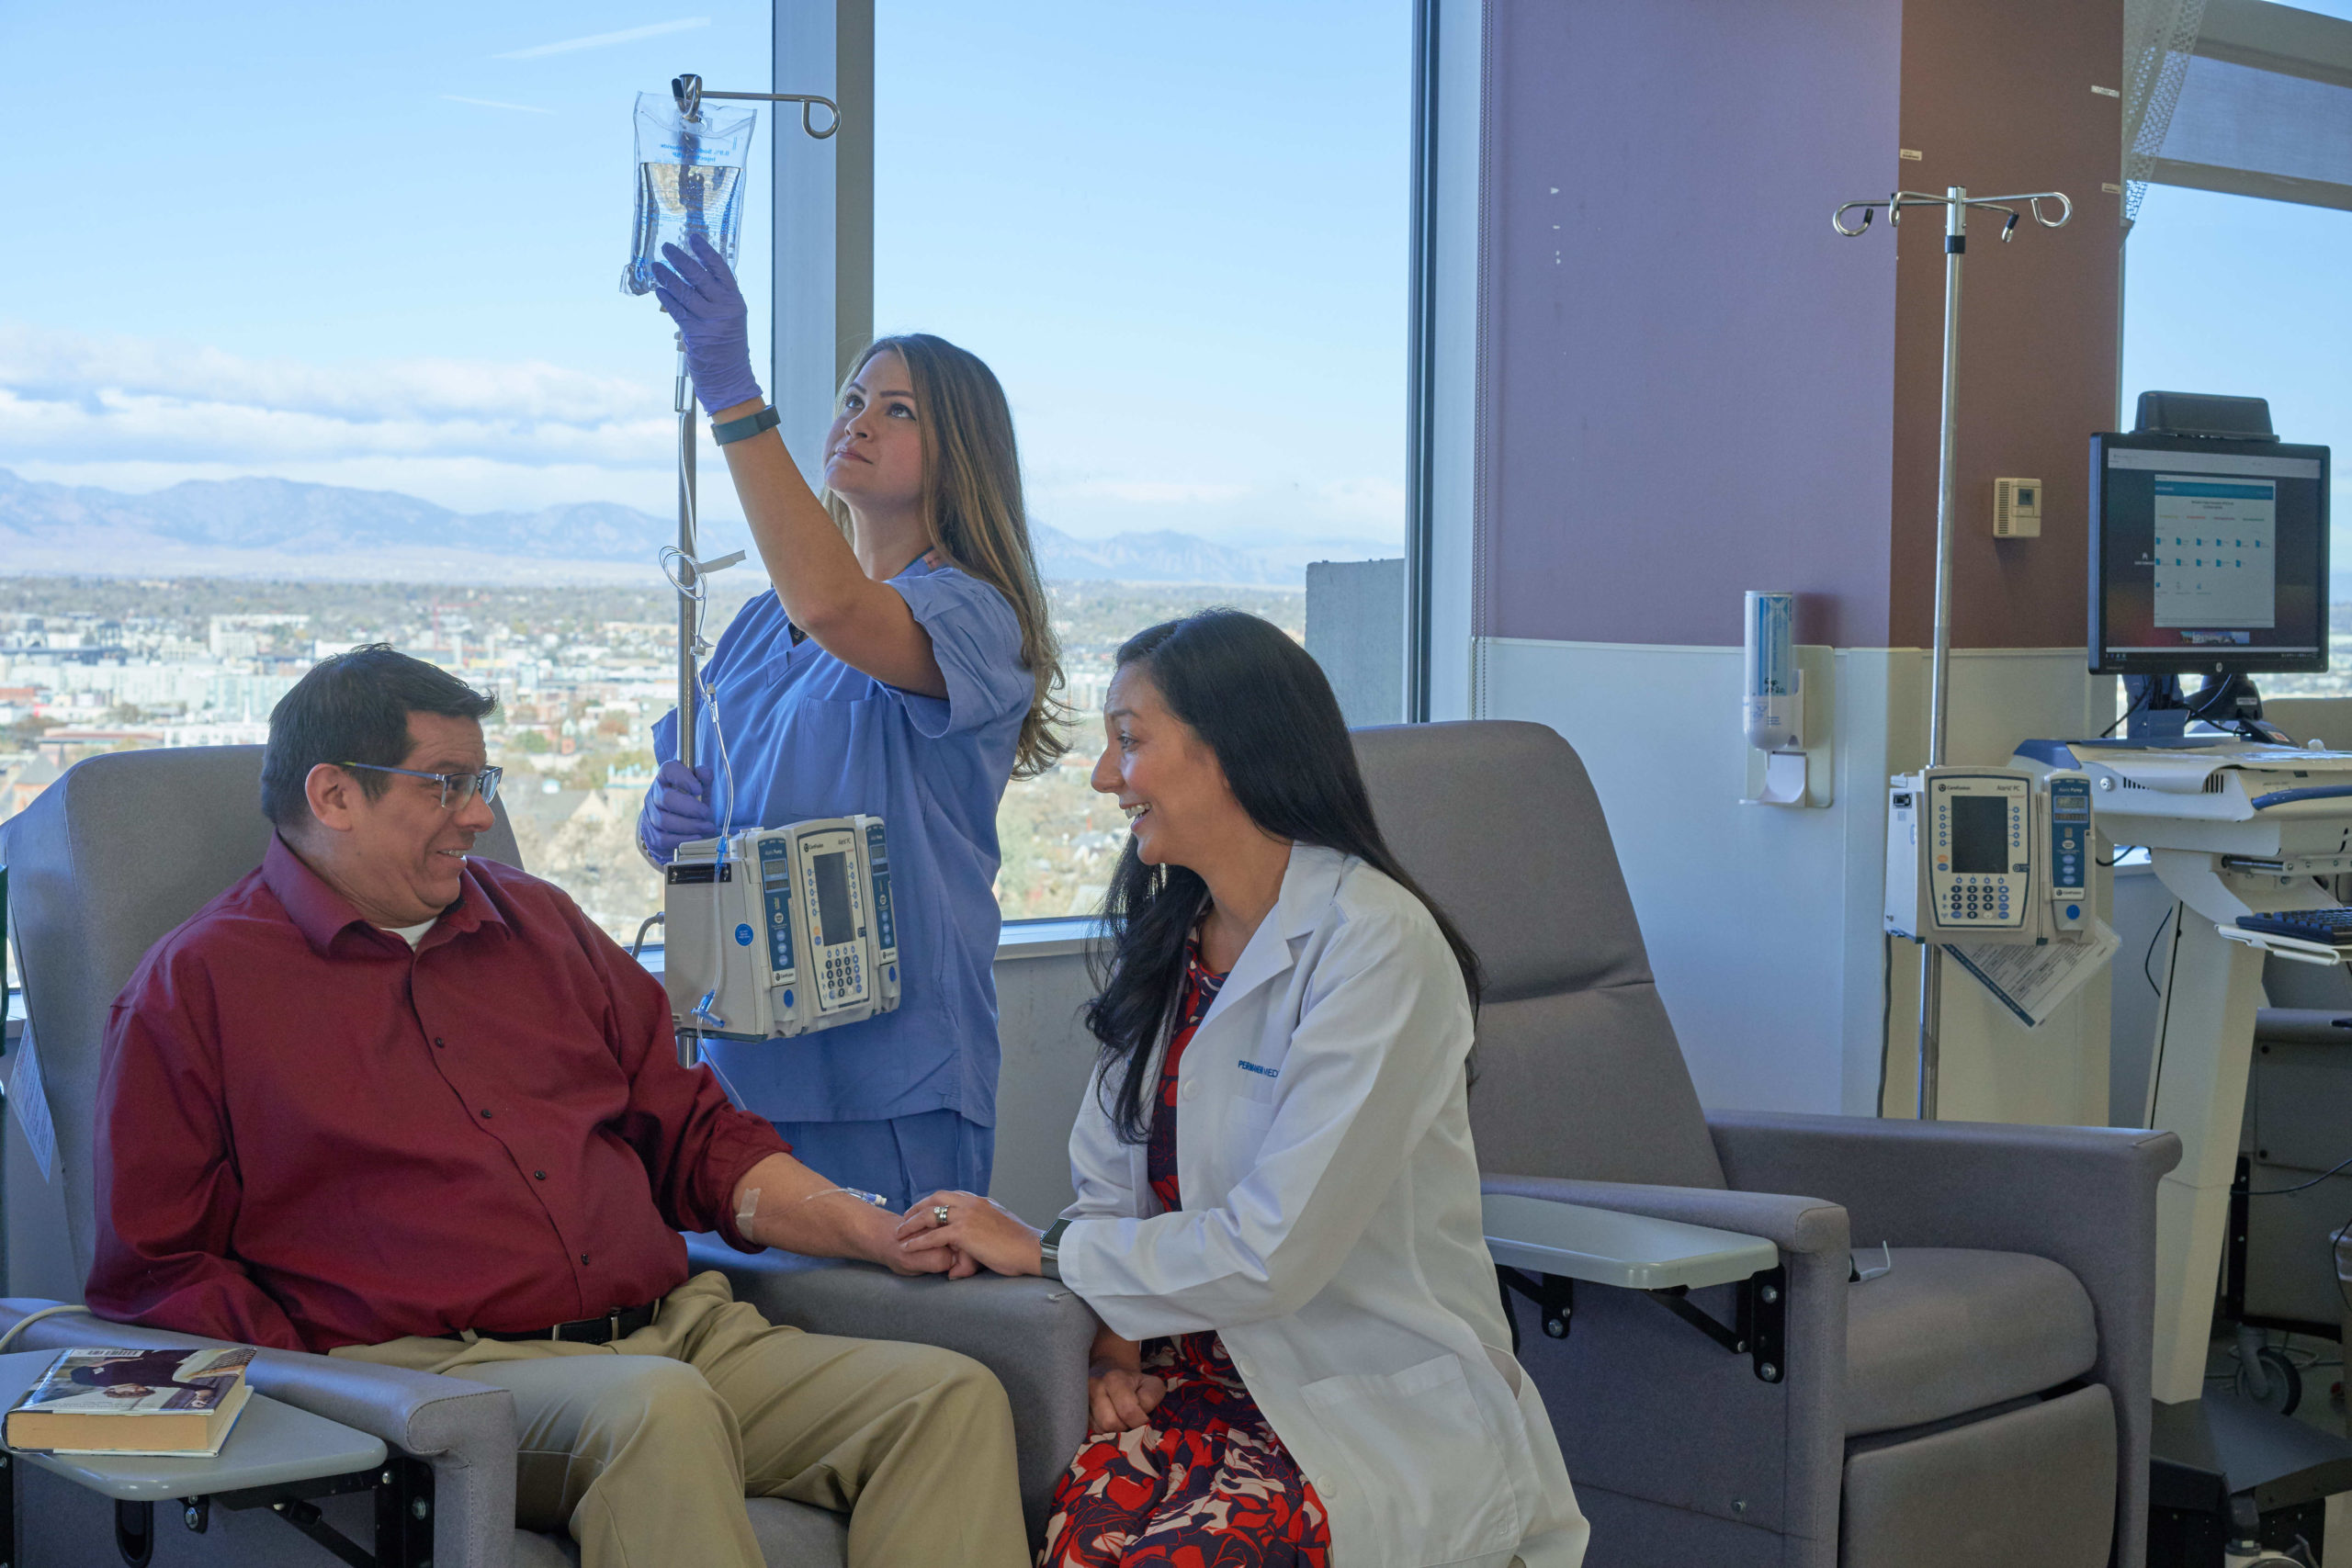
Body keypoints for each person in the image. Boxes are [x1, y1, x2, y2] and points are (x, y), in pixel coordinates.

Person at [86, 646, 1029, 1568]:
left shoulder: (541, 925)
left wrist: (875, 1232)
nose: (479, 815)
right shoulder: (198, 989)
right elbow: (159, 1273)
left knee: (944, 1396)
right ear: (333, 795)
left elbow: (697, 1137)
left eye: (481, 779)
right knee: (656, 1411)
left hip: (678, 1332)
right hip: (447, 1378)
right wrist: (340, 1390)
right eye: (445, 785)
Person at [895, 610, 1589, 1568]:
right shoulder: (1169, 944)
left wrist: (1048, 1254)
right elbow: (1112, 1188)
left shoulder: (1376, 946)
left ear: (1230, 749)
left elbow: (1276, 1253)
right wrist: (1110, 1349)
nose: (1105, 776)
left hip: (1354, 1398)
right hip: (1187, 1390)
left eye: (1129, 742)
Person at [639, 233, 1066, 1212]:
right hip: (743, 1066)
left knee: (897, 1346)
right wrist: (668, 827)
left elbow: (839, 610)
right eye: (853, 400)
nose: (859, 421)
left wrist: (734, 396)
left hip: (895, 1075)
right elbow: (698, 789)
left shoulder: (970, 614)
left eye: (898, 409)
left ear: (961, 454)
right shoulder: (758, 625)